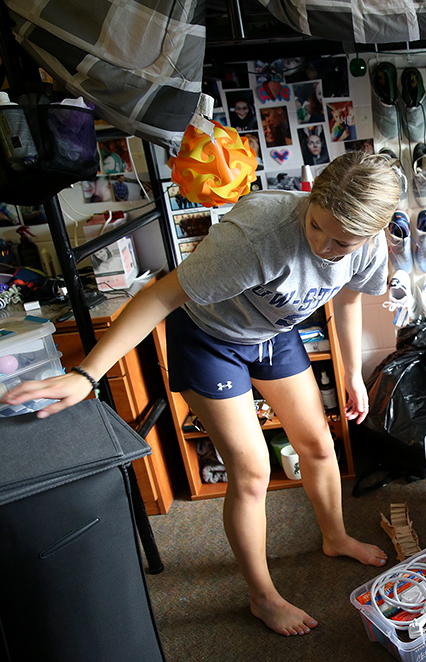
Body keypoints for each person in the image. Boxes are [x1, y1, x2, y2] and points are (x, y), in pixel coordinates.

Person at [2, 151, 400, 637]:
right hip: (209, 338)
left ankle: (335, 537)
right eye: (317, 227)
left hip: (273, 332)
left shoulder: (370, 245)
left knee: (318, 443)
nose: (322, 246)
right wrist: (86, 375)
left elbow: (349, 296)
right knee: (252, 470)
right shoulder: (255, 237)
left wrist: (353, 374)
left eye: (341, 243)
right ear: (312, 197)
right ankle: (262, 596)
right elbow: (159, 296)